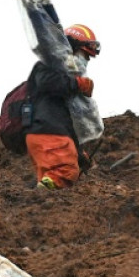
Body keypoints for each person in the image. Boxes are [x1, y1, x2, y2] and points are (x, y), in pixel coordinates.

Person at [24, 22, 99, 190]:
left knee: (50, 182)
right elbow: (47, 82)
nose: (86, 61)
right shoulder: (49, 63)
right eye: (85, 55)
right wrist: (78, 84)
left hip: (43, 133)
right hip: (49, 132)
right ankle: (41, 194)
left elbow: (66, 123)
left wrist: (79, 154)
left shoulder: (63, 80)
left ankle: (37, 201)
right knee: (65, 172)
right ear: (71, 47)